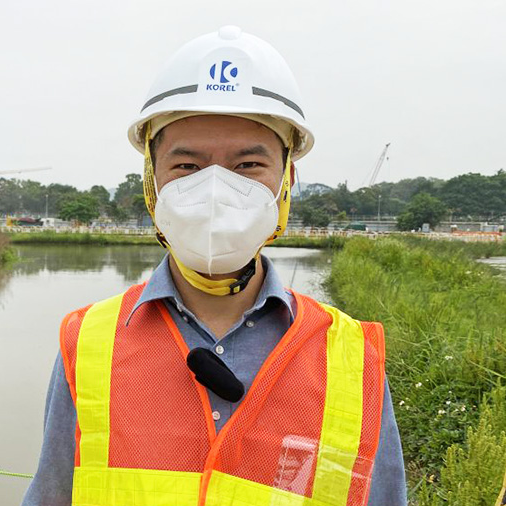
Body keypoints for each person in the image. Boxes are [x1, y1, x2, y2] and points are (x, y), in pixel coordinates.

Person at [22, 26, 407, 506]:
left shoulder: (353, 360)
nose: (215, 189)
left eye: (247, 166)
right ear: (152, 182)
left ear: (286, 182)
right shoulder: (89, 342)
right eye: (187, 167)